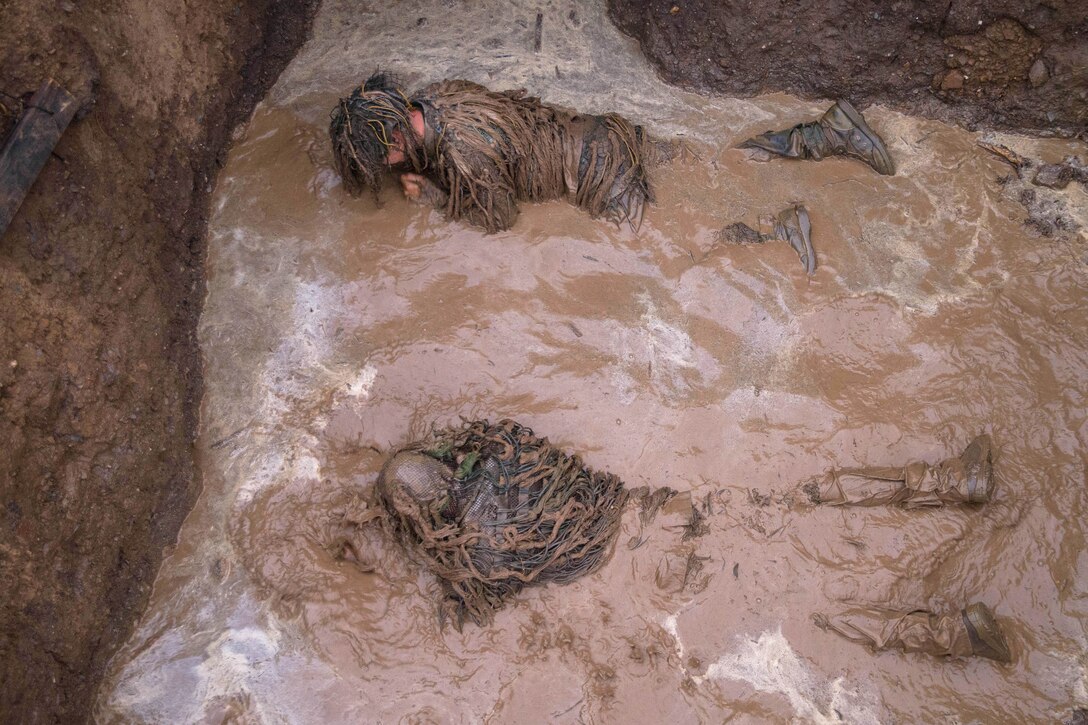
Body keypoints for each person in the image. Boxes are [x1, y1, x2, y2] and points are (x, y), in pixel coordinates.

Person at [329, 72, 659, 233]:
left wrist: (436, 197)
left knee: (640, 236)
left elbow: (500, 218)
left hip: (600, 172)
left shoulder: (464, 154)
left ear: (396, 137)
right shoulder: (433, 95)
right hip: (599, 130)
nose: (383, 166)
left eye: (380, 157)